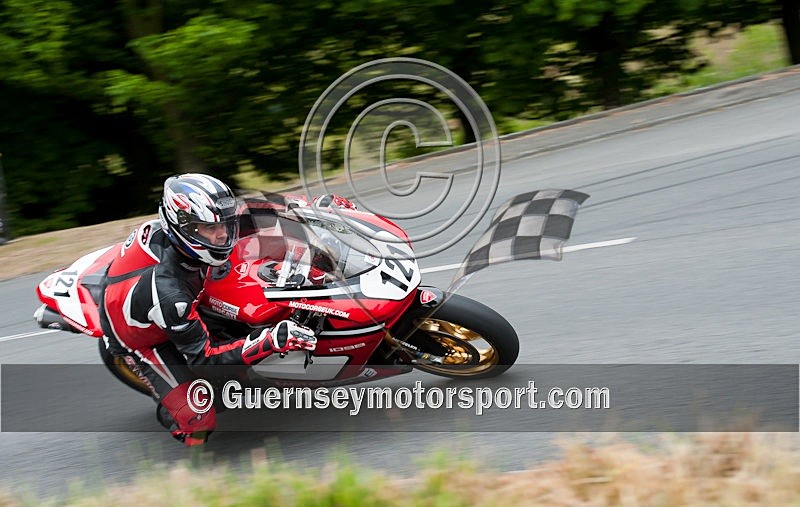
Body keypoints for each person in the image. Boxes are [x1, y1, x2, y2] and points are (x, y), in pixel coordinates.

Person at [99, 173, 317, 446]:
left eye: (225, 224)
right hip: (145, 339)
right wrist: (270, 340)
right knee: (199, 422)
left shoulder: (186, 235)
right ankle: (174, 413)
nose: (223, 234)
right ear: (185, 228)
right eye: (209, 229)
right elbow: (205, 358)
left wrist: (313, 208)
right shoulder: (171, 295)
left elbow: (256, 212)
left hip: (165, 289)